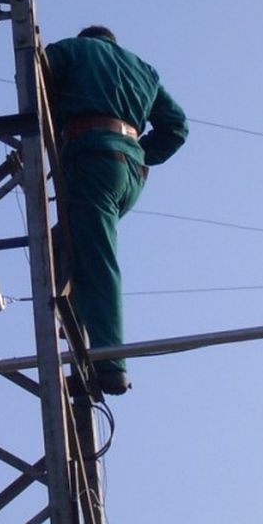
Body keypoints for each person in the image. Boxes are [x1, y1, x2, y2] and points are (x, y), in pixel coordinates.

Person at [45, 26, 188, 395]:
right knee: (64, 244)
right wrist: (138, 154)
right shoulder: (143, 69)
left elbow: (36, 74)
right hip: (127, 173)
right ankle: (79, 326)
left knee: (96, 257)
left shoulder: (74, 49)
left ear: (88, 38)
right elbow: (176, 127)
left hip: (92, 159)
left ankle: (110, 363)